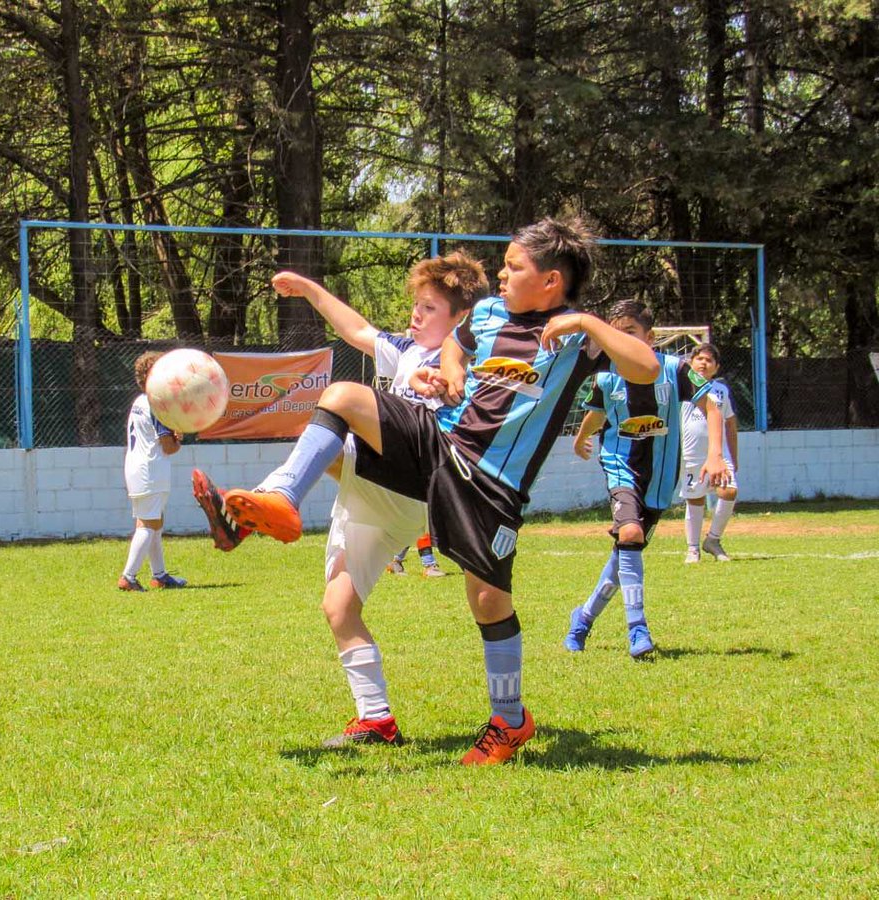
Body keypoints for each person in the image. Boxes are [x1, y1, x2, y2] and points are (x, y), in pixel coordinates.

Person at [200, 217, 716, 765]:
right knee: (345, 395)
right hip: (441, 446)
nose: (502, 272)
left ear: (551, 280)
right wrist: (446, 376)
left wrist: (587, 322)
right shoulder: (488, 314)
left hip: (494, 484)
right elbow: (455, 348)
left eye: (515, 267)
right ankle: (280, 496)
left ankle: (509, 721)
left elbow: (646, 366)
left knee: (488, 600)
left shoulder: (576, 332)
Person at [198, 253, 487, 747]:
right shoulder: (405, 351)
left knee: (342, 398)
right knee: (338, 607)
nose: (417, 315)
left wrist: (447, 384)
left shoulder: (468, 362)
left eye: (431, 308)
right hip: (372, 498)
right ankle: (377, 721)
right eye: (416, 305)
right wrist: (310, 289)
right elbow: (357, 330)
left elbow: (468, 409)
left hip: (416, 480)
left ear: (459, 319)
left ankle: (278, 499)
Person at [564, 302, 725, 658]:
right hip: (620, 467)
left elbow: (712, 405)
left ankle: (583, 618)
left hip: (660, 479)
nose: (621, 341)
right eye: (615, 334)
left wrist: (715, 454)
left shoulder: (674, 370)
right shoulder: (605, 378)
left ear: (650, 338)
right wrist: (580, 437)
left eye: (630, 333)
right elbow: (596, 414)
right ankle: (638, 629)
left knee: (624, 555)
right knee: (631, 534)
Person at [119, 351, 186, 591]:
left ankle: (160, 575)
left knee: (154, 522)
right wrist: (179, 439)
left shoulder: (139, 401)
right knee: (147, 525)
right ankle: (128, 576)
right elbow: (168, 446)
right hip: (151, 469)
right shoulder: (158, 404)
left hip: (137, 467)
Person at [680, 343, 739, 562]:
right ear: (691, 363)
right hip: (691, 454)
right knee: (695, 499)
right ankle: (693, 548)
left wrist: (734, 456)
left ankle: (713, 539)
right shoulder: (682, 387)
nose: (704, 363)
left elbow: (731, 425)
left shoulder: (721, 391)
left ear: (716, 367)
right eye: (700, 359)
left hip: (719, 455)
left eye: (709, 360)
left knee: (729, 491)